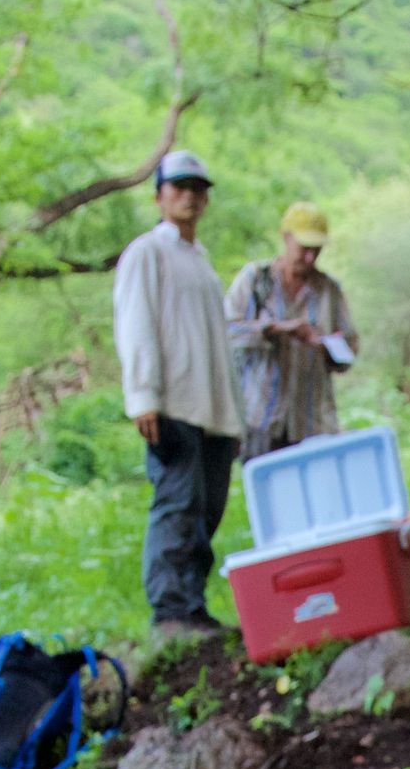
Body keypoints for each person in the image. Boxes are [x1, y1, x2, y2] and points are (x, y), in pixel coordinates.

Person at [113, 147, 242, 635]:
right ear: (159, 196)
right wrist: (143, 396)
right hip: (173, 404)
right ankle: (170, 610)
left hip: (212, 410)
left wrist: (235, 416)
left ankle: (192, 605)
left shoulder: (201, 264)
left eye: (196, 189)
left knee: (207, 509)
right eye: (179, 188)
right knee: (177, 504)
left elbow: (218, 344)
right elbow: (136, 325)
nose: (188, 197)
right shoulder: (147, 253)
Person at [225, 201, 359, 459]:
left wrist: (329, 346)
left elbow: (350, 349)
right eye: (304, 248)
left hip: (311, 423)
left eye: (316, 250)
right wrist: (275, 329)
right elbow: (227, 332)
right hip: (260, 419)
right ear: (286, 238)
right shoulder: (255, 279)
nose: (309, 258)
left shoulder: (329, 290)